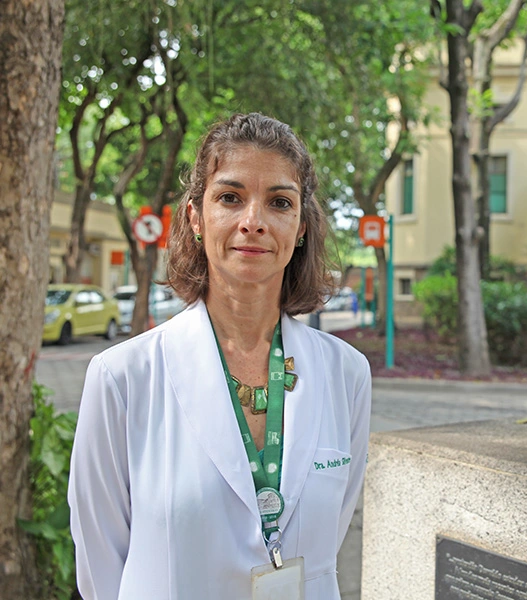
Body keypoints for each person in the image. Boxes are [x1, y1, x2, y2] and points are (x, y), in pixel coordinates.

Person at [68, 113, 372, 598]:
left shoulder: (347, 374)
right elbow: (100, 568)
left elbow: (328, 541)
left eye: (279, 202)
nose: (253, 222)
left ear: (300, 227)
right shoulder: (122, 377)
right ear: (196, 216)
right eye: (230, 197)